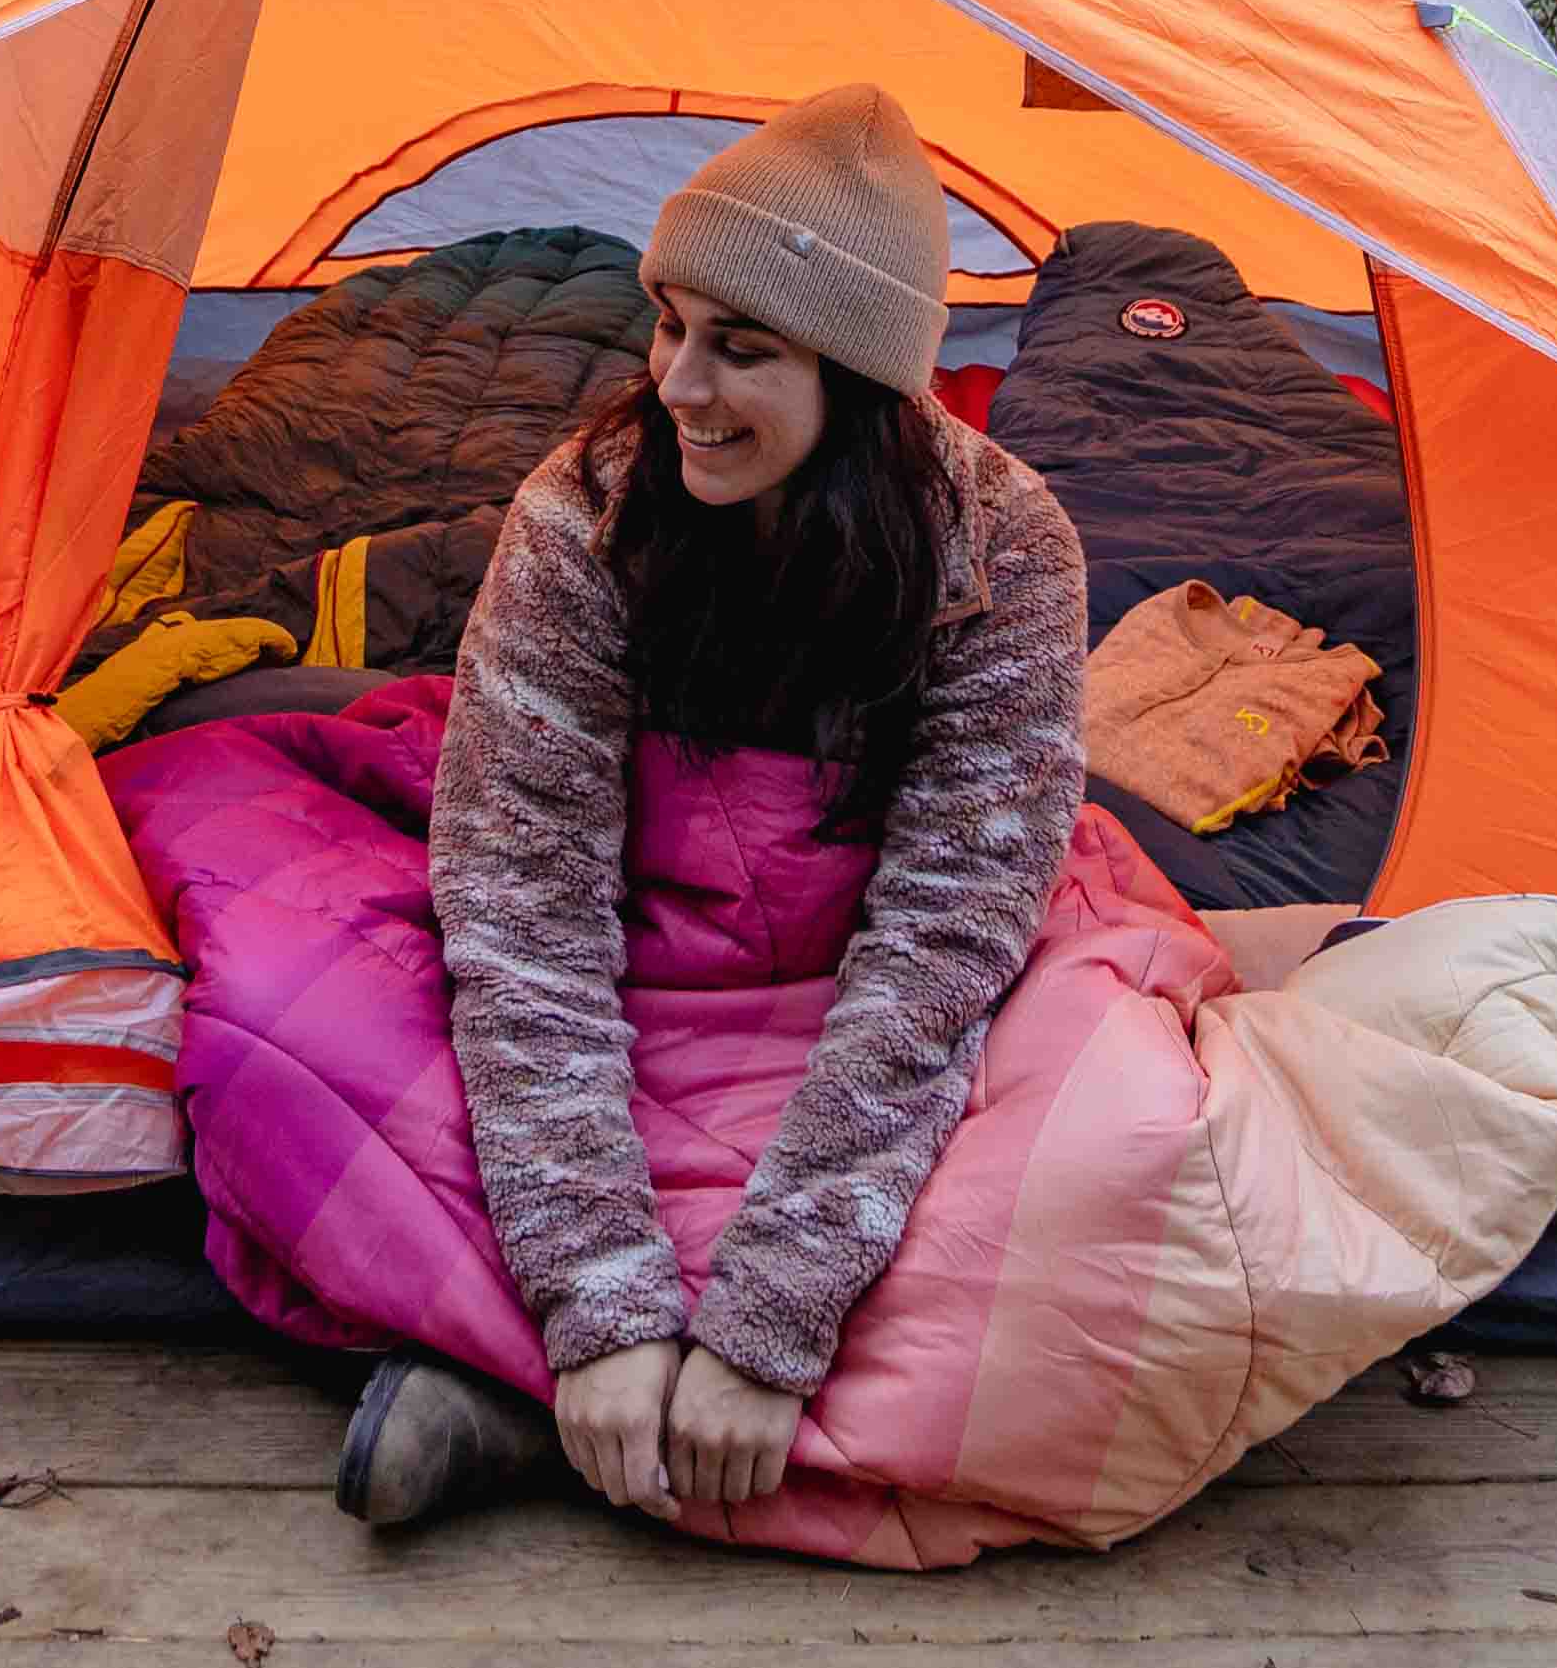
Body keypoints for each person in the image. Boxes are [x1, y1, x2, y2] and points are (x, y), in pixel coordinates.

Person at [335, 85, 1092, 1533]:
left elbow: (943, 947)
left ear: (864, 384)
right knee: (298, 1031)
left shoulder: (1007, 549)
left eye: (739, 349)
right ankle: (598, 1383)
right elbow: (522, 914)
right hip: (635, 950)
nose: (679, 384)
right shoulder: (585, 511)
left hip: (856, 974)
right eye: (670, 323)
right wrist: (606, 1307)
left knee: (1120, 1143)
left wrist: (771, 1316)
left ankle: (507, 1387)